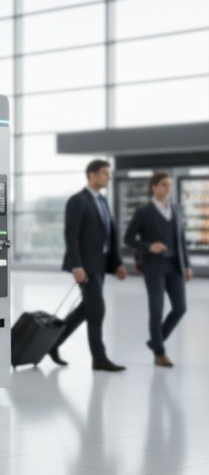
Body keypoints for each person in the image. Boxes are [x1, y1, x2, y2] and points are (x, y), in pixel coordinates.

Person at [51, 159, 127, 371]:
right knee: (97, 310)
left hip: (100, 264)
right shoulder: (78, 201)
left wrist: (118, 263)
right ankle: (99, 358)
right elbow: (71, 236)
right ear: (92, 175)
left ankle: (52, 343)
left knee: (87, 309)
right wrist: (77, 267)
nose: (108, 177)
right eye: (104, 173)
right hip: (85, 266)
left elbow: (109, 235)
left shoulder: (102, 201)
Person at [124, 172, 191, 368]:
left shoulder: (177, 209)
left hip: (175, 265)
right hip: (154, 266)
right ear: (153, 187)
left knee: (180, 308)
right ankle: (159, 353)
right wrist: (148, 246)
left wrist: (187, 265)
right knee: (156, 310)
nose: (167, 188)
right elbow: (129, 238)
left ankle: (155, 340)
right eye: (163, 184)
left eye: (169, 185)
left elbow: (181, 241)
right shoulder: (143, 212)